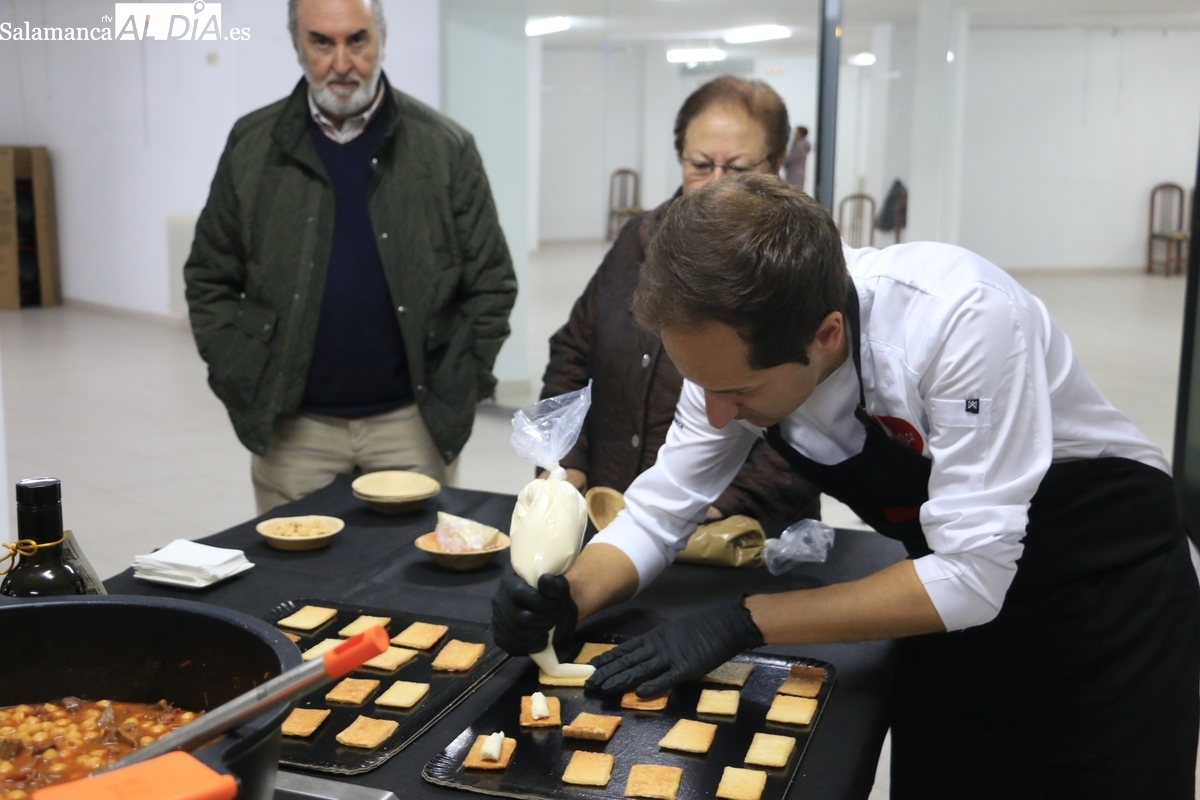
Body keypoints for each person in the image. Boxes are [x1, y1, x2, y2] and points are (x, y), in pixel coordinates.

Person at [493, 175, 1200, 798]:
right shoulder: (726, 362)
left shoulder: (960, 319)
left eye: (738, 390)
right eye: (701, 386)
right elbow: (656, 513)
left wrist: (746, 620)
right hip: (944, 605)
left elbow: (972, 578)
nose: (715, 413)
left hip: (1103, 603)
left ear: (827, 333)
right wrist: (569, 598)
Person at [184, 0, 516, 513]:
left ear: (381, 38)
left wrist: (461, 381)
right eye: (322, 42)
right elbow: (209, 276)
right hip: (295, 428)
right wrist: (243, 373)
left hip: (412, 424)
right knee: (295, 584)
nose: (341, 62)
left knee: (409, 576)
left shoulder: (444, 148)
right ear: (298, 45)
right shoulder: (253, 146)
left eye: (356, 40)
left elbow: (491, 281)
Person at [541, 75, 819, 522]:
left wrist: (721, 506)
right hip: (617, 512)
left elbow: (820, 418)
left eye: (739, 169)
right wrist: (566, 460)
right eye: (700, 165)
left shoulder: (804, 262)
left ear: (779, 161)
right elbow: (573, 352)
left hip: (734, 532)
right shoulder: (638, 240)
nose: (716, 185)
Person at [782, 126, 810, 191]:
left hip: (794, 173)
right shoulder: (802, 145)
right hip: (799, 172)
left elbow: (791, 158)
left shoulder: (799, 146)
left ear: (800, 133)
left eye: (796, 132)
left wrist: (780, 159)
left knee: (793, 190)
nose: (794, 134)